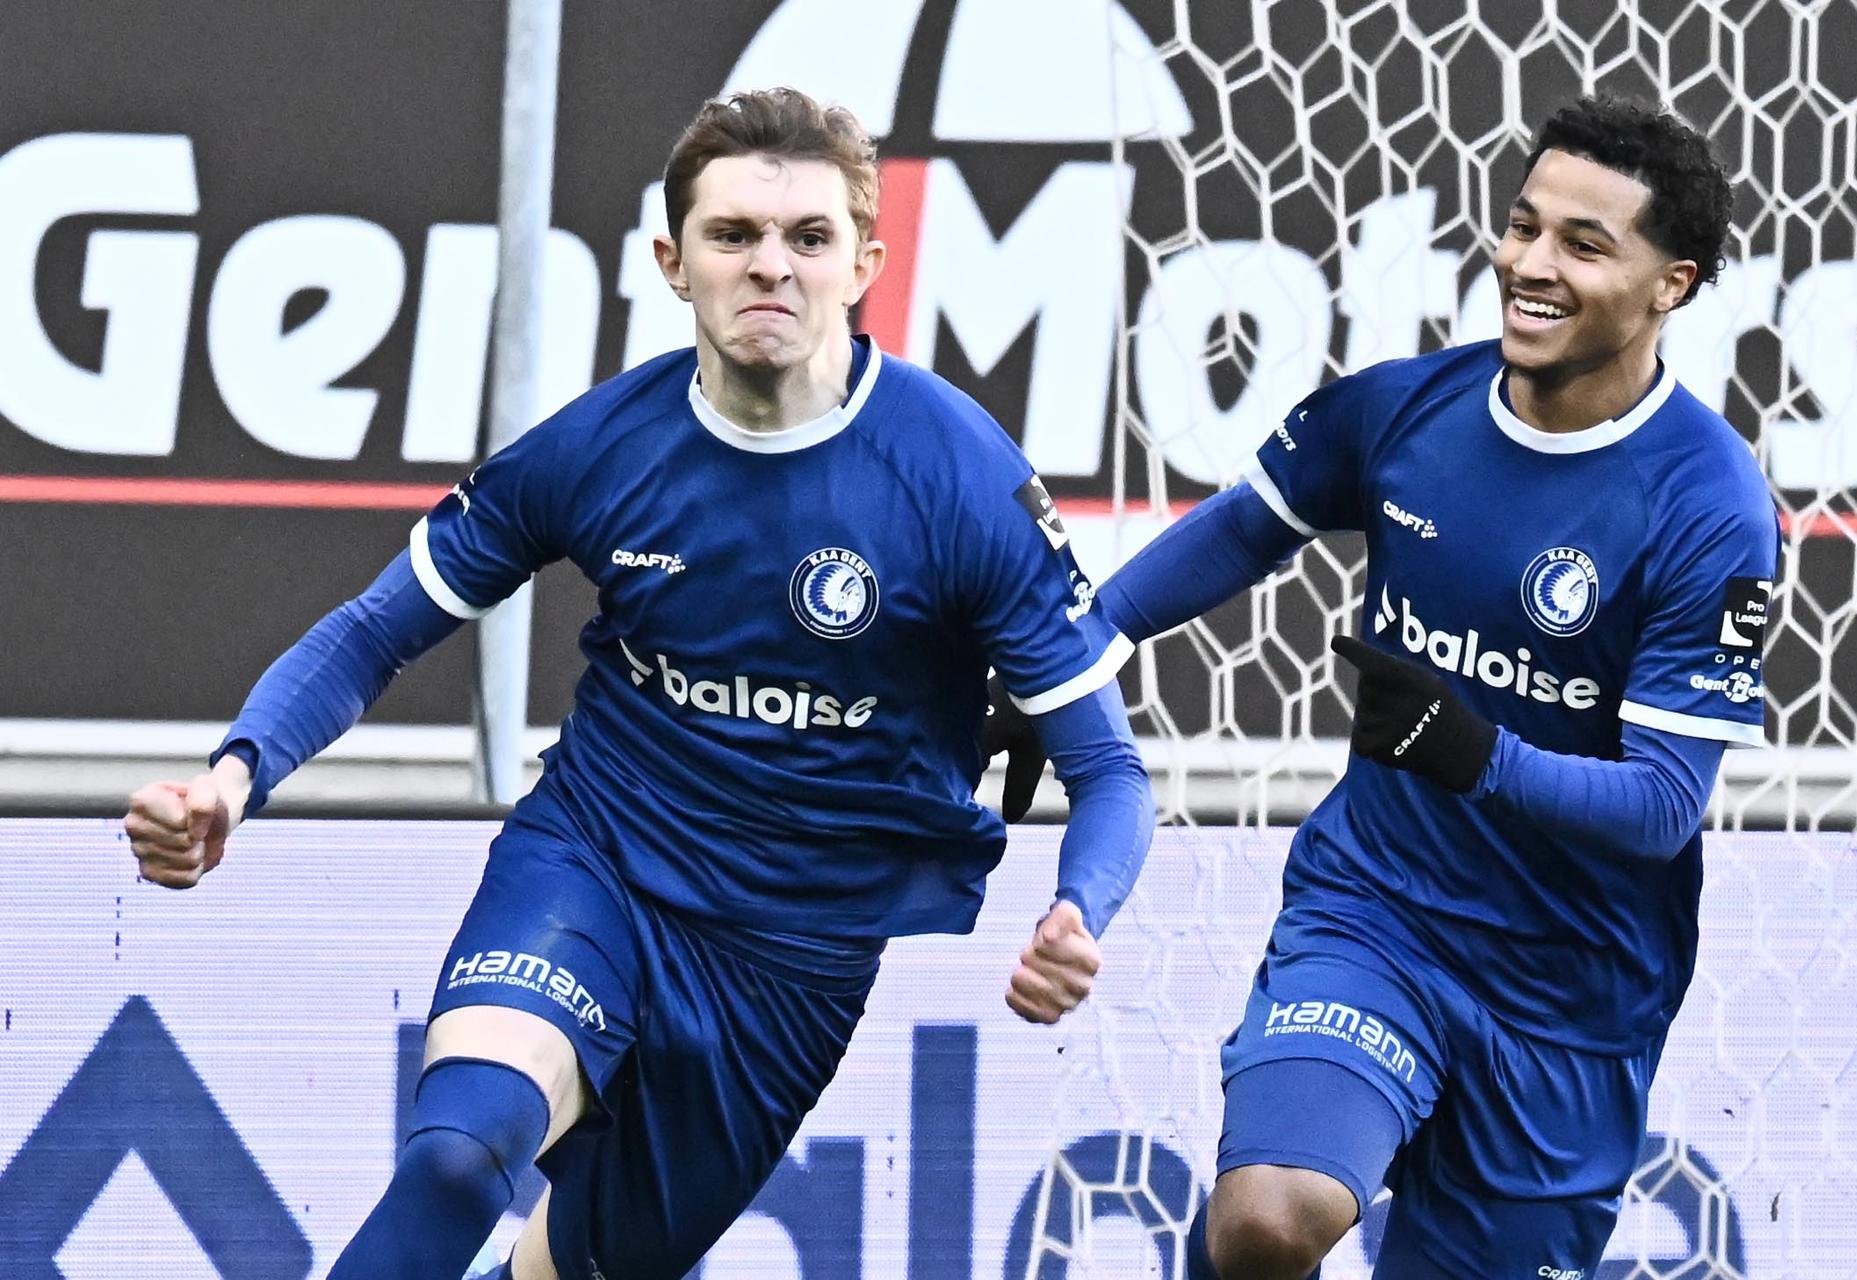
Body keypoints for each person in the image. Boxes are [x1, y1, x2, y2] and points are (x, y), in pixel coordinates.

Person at [122, 87, 1152, 1280]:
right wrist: (235, 774)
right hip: (596, 862)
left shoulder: (963, 479)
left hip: (793, 962)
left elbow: (1111, 770)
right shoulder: (597, 446)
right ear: (673, 261)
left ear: (866, 261)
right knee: (459, 1156)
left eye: (809, 239)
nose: (772, 265)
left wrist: (1082, 909)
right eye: (734, 237)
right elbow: (372, 632)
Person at [1087, 96, 1772, 1278]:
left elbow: (1664, 803)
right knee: (1266, 1217)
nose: (1531, 265)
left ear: (1675, 284)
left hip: (1570, 995)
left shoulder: (1710, 505)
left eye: (1583, 244)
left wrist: (1477, 754)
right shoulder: (1406, 409)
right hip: (1379, 916)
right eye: (1523, 226)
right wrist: (1082, 647)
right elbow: (1251, 524)